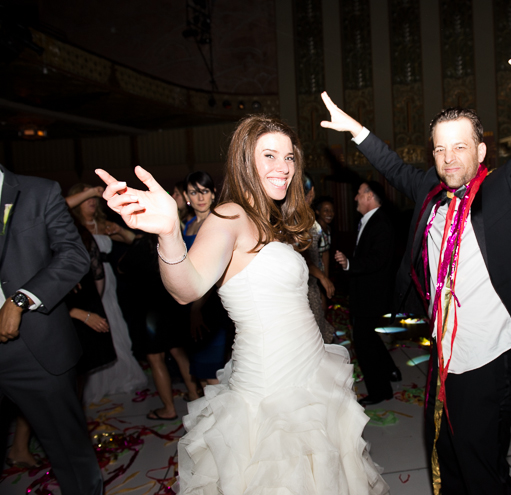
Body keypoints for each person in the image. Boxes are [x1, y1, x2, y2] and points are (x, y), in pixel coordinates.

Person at [321, 20, 511, 495]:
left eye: (460, 147)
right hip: (444, 349)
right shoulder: (430, 189)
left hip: (490, 352)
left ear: (481, 150)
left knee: (480, 460)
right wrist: (358, 131)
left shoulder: (510, 187)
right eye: (440, 149)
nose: (448, 158)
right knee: (447, 450)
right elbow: (393, 166)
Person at [96, 114, 389, 495]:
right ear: (244, 161)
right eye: (269, 155)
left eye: (289, 157)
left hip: (309, 367)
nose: (282, 167)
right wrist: (169, 234)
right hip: (272, 384)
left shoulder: (272, 217)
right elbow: (187, 288)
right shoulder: (229, 215)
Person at [0, 164, 103, 494]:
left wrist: (20, 300)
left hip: (33, 346)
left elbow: (74, 256)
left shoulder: (37, 191)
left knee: (69, 453)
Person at [68, 183, 147, 403]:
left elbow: (135, 241)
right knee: (93, 326)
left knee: (115, 323)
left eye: (94, 198)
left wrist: (121, 230)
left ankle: (120, 376)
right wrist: (92, 190)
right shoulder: (71, 226)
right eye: (85, 198)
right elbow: (59, 204)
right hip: (86, 283)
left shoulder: (103, 225)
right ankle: (94, 381)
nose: (92, 201)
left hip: (109, 279)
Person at [118, 232, 200, 420]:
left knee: (156, 359)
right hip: (169, 302)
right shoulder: (170, 239)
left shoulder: (143, 244)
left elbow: (121, 267)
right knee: (178, 351)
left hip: (149, 308)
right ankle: (194, 393)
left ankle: (169, 409)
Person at [335, 181, 400, 406]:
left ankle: (379, 391)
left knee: (364, 344)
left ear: (369, 196)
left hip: (372, 296)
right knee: (369, 339)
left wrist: (350, 264)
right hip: (368, 294)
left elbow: (377, 259)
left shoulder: (381, 223)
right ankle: (390, 372)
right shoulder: (372, 220)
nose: (355, 198)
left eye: (359, 193)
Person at [181, 171, 231, 387]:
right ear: (186, 196)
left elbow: (215, 271)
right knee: (202, 372)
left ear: (213, 194)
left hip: (211, 304)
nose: (200, 197)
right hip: (193, 302)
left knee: (213, 374)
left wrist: (196, 310)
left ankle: (224, 420)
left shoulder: (216, 223)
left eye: (205, 191)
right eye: (194, 192)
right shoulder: (189, 224)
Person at [301, 174, 336, 343]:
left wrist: (324, 278)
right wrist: (322, 277)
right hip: (302, 286)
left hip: (311, 283)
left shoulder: (313, 225)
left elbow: (323, 255)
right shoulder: (299, 223)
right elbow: (301, 257)